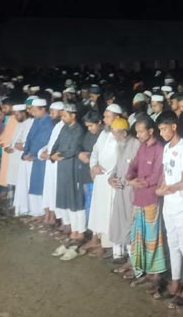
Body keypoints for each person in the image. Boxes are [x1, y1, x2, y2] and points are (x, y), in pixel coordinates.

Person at [156, 111, 183, 307]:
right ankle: (175, 280)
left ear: (174, 127)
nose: (162, 133)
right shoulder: (166, 147)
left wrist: (168, 189)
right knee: (172, 242)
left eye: (164, 129)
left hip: (180, 204)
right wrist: (162, 186)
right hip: (168, 203)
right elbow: (166, 173)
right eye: (160, 130)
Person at [126, 115, 167, 287]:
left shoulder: (160, 149)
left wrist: (139, 182)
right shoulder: (142, 147)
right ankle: (143, 270)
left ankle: (156, 275)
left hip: (151, 197)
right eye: (137, 132)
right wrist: (130, 178)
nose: (138, 135)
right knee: (139, 235)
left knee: (153, 237)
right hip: (138, 197)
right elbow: (133, 166)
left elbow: (157, 175)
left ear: (150, 131)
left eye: (141, 132)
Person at [86, 104, 121, 255]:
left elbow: (121, 158)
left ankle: (108, 245)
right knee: (99, 210)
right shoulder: (104, 134)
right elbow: (95, 151)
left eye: (107, 117)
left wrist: (110, 173)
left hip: (111, 179)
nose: (104, 119)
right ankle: (99, 240)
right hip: (99, 177)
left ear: (117, 118)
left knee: (109, 213)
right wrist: (93, 165)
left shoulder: (122, 134)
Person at [51, 104, 87, 252]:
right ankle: (73, 229)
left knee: (75, 199)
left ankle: (80, 231)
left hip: (73, 167)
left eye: (65, 115)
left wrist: (59, 155)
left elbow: (73, 149)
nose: (62, 118)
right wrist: (52, 154)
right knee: (65, 197)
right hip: (62, 167)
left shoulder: (79, 130)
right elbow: (57, 143)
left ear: (73, 115)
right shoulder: (64, 128)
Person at [108, 117, 140, 272]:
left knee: (131, 225)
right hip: (120, 190)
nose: (114, 137)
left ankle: (134, 262)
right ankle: (127, 258)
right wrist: (111, 178)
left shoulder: (136, 145)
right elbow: (117, 166)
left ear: (125, 133)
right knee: (122, 224)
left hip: (132, 192)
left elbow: (138, 170)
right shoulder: (121, 145)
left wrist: (126, 181)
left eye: (116, 133)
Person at [23, 98, 54, 220]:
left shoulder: (49, 122)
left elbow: (43, 141)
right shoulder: (36, 120)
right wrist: (25, 152)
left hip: (42, 159)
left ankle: (44, 214)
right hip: (34, 157)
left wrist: (34, 154)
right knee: (35, 186)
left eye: (35, 111)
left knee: (43, 187)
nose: (32, 113)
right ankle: (37, 212)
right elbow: (29, 137)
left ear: (43, 109)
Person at [38, 101, 65, 226]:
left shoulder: (64, 127)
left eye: (53, 113)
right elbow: (50, 144)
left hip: (57, 164)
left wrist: (49, 155)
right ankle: (48, 215)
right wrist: (42, 151)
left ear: (61, 112)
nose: (51, 115)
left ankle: (54, 217)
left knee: (54, 190)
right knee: (48, 189)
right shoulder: (57, 126)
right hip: (50, 162)